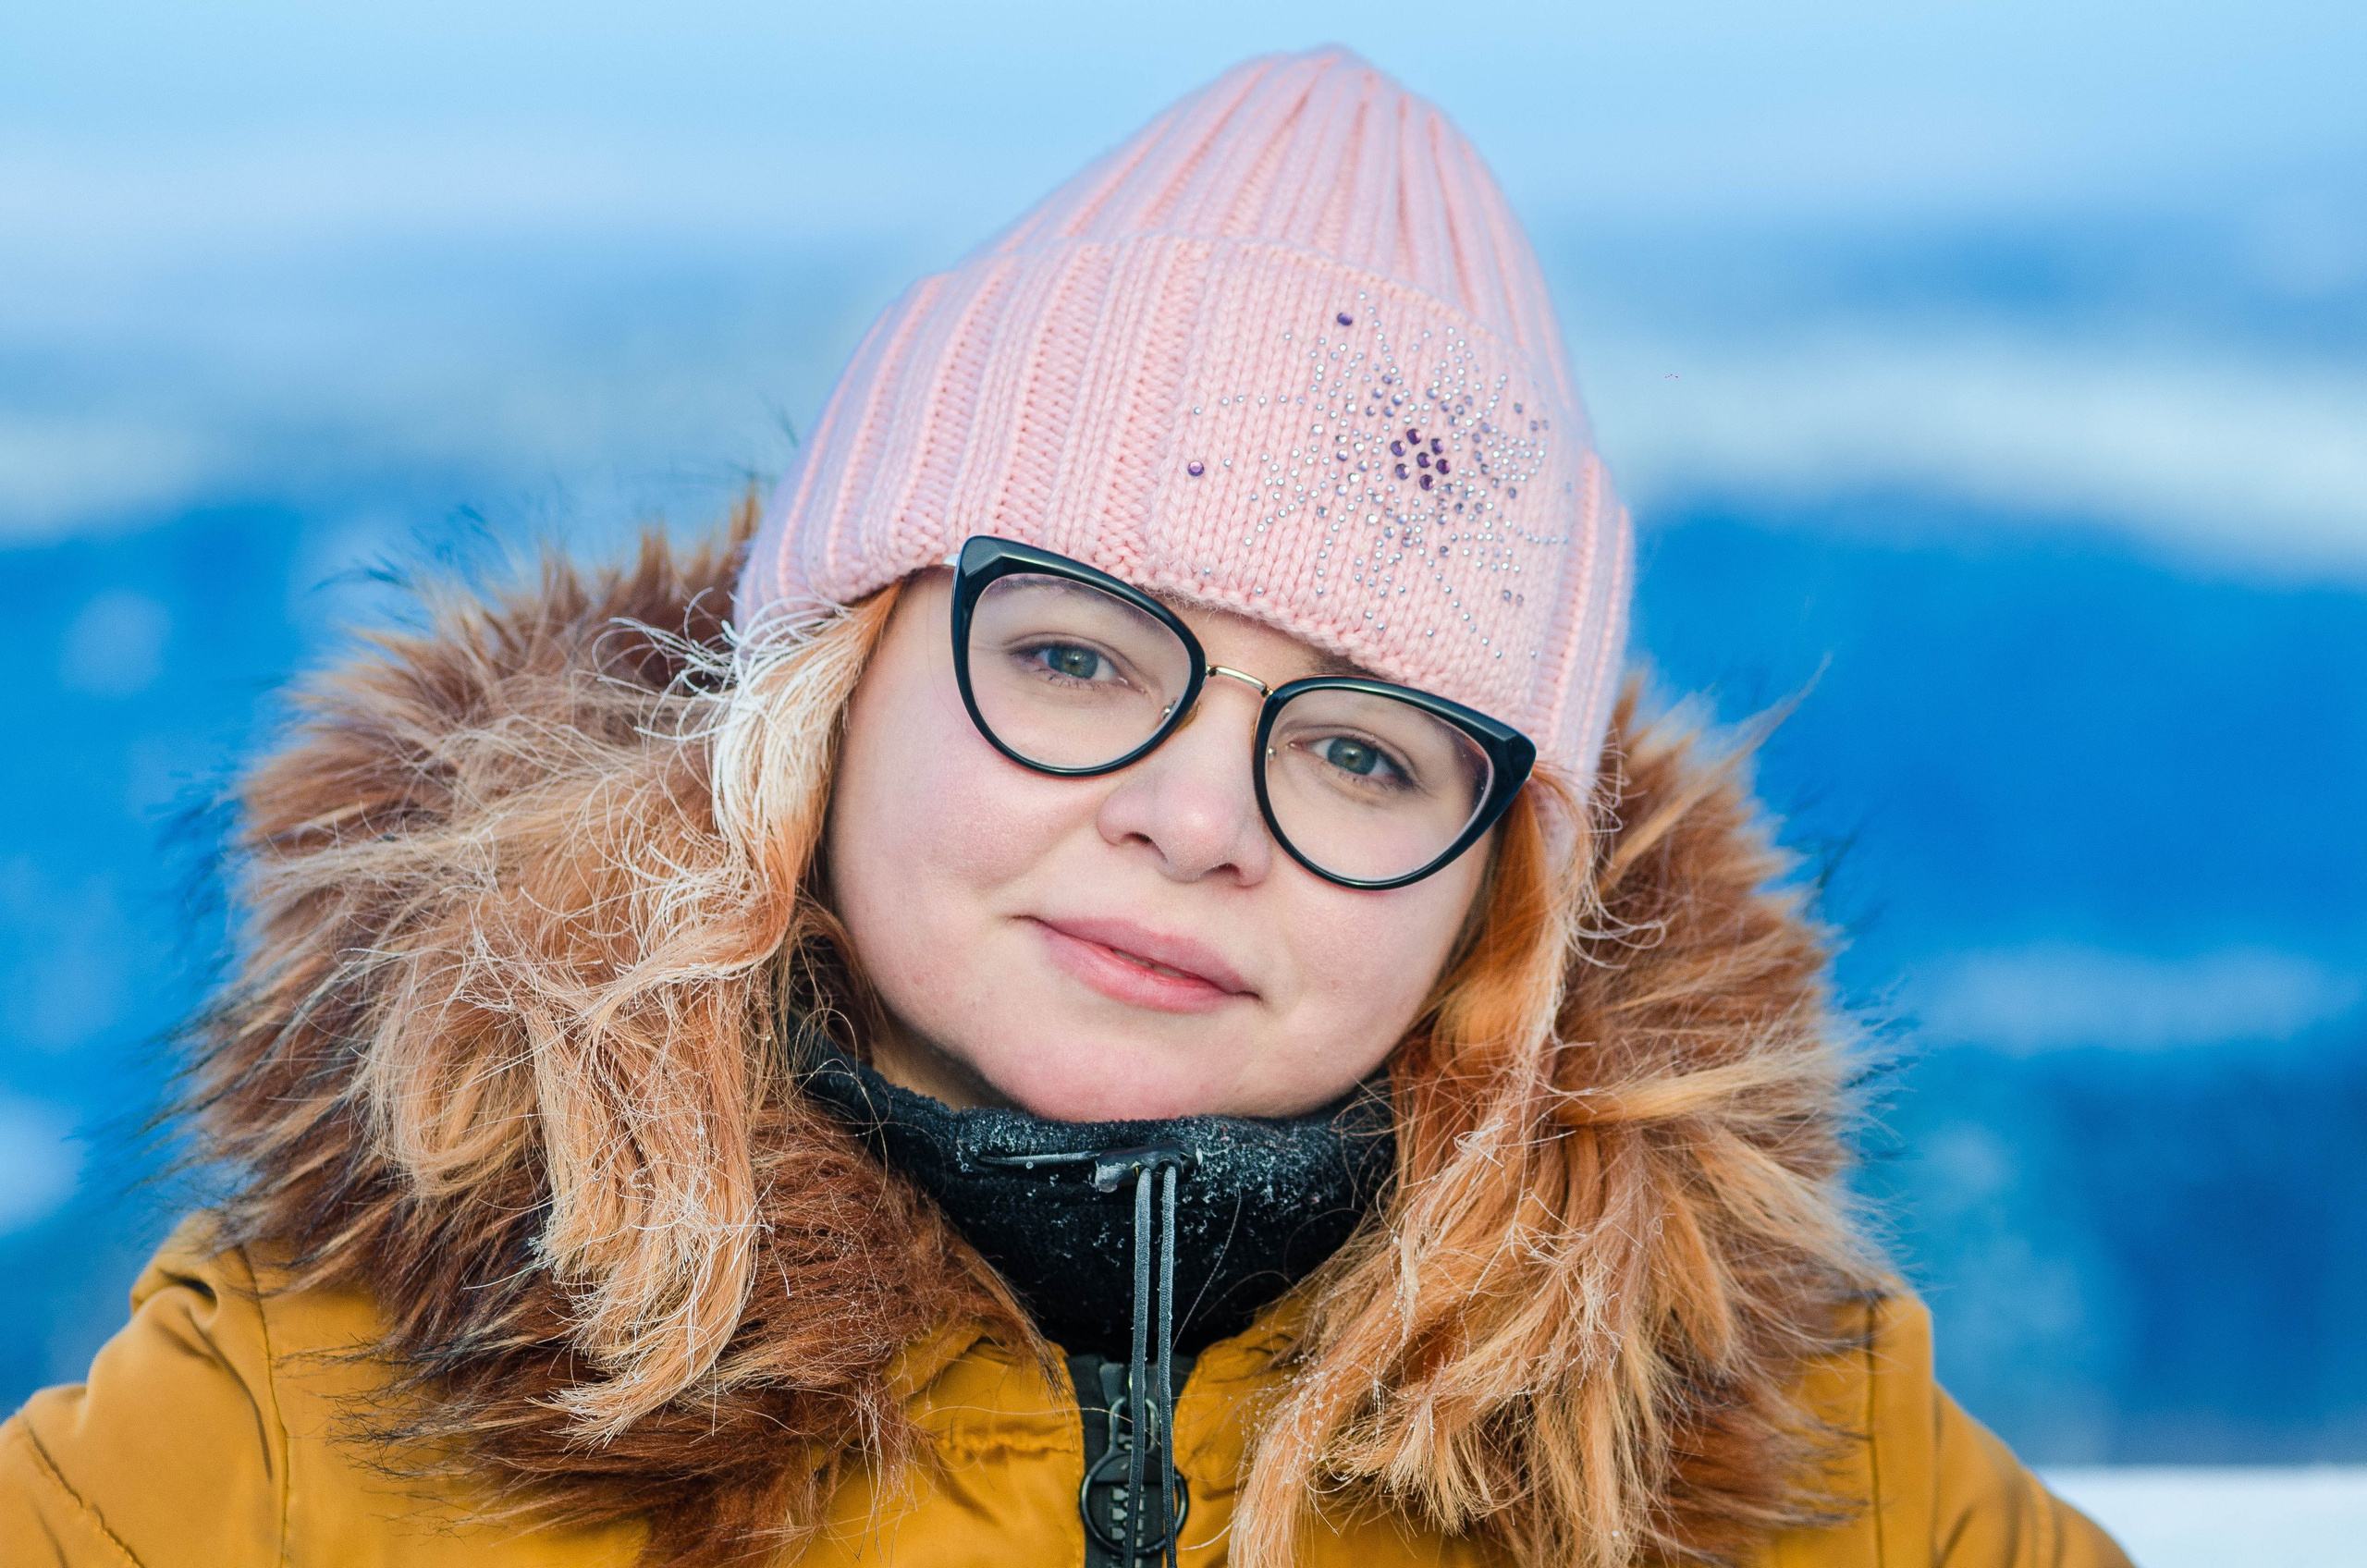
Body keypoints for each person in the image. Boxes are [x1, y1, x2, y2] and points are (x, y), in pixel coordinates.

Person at [1, 48, 2129, 1568]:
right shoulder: (296, 1429)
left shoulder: (1779, 1454)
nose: (1202, 819)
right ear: (825, 696)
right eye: (1077, 656)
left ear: (1492, 899)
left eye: (1367, 751)